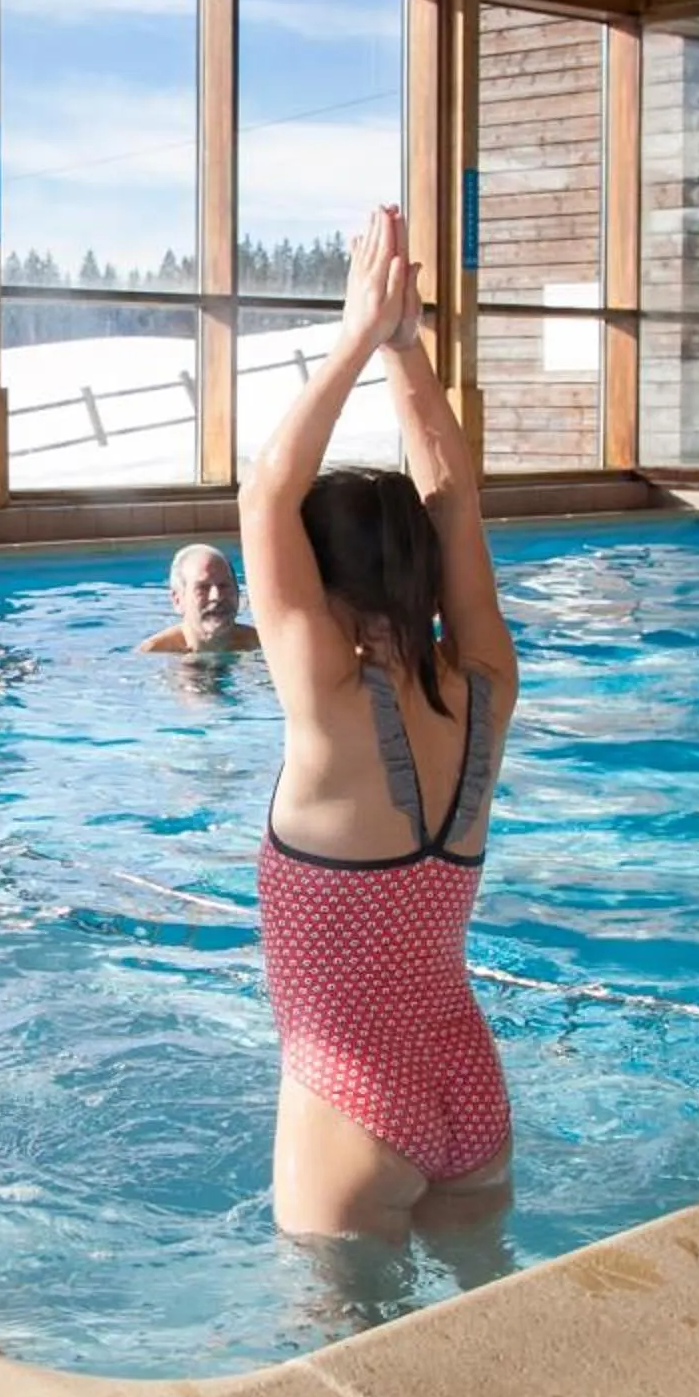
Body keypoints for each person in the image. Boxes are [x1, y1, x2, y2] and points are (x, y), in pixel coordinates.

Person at [241, 205, 522, 1251]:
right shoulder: (489, 684)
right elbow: (455, 505)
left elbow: (266, 492)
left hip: (351, 1105)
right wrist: (409, 351)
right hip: (470, 1087)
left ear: (331, 596)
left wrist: (357, 333)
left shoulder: (326, 709)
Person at [139, 544, 261, 654]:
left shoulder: (260, 644)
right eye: (203, 588)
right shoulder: (155, 652)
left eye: (224, 586)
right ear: (178, 601)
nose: (216, 596)